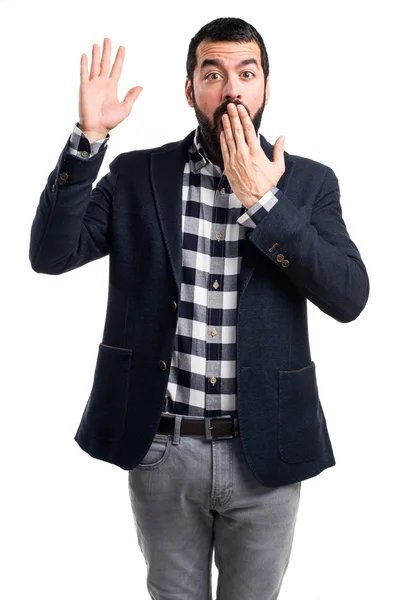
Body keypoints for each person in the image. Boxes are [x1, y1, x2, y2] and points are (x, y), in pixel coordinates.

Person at [29, 17, 369, 600]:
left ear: (265, 86)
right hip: (163, 449)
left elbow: (349, 297)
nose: (232, 88)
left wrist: (266, 201)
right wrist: (88, 139)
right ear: (191, 90)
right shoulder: (137, 175)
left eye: (247, 72)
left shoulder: (309, 184)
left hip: (268, 450)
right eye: (213, 73)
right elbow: (51, 254)